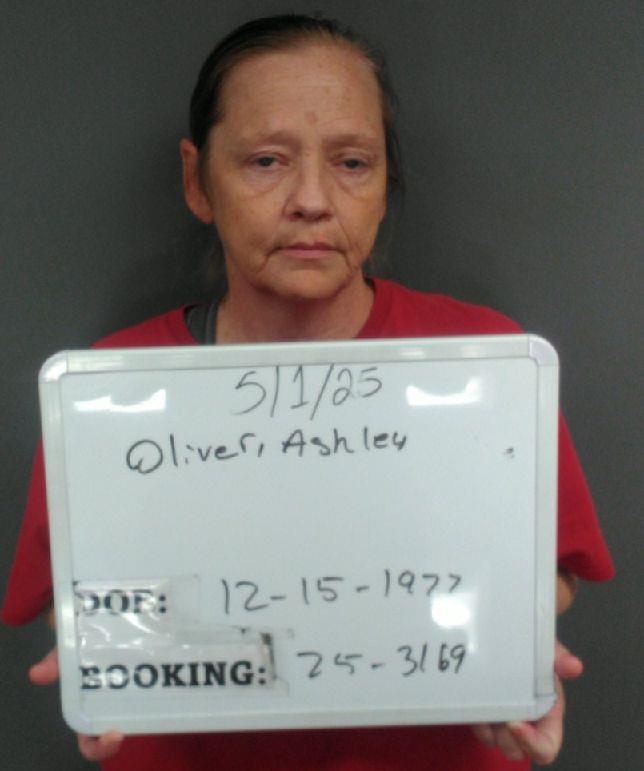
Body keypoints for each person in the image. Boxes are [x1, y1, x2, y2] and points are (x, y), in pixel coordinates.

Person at [2, 14, 613, 771]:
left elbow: (555, 572)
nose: (312, 200)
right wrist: (110, 649)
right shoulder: (110, 388)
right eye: (266, 161)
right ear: (198, 181)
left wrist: (508, 640)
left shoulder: (486, 362)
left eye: (352, 162)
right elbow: (72, 596)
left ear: (385, 184)